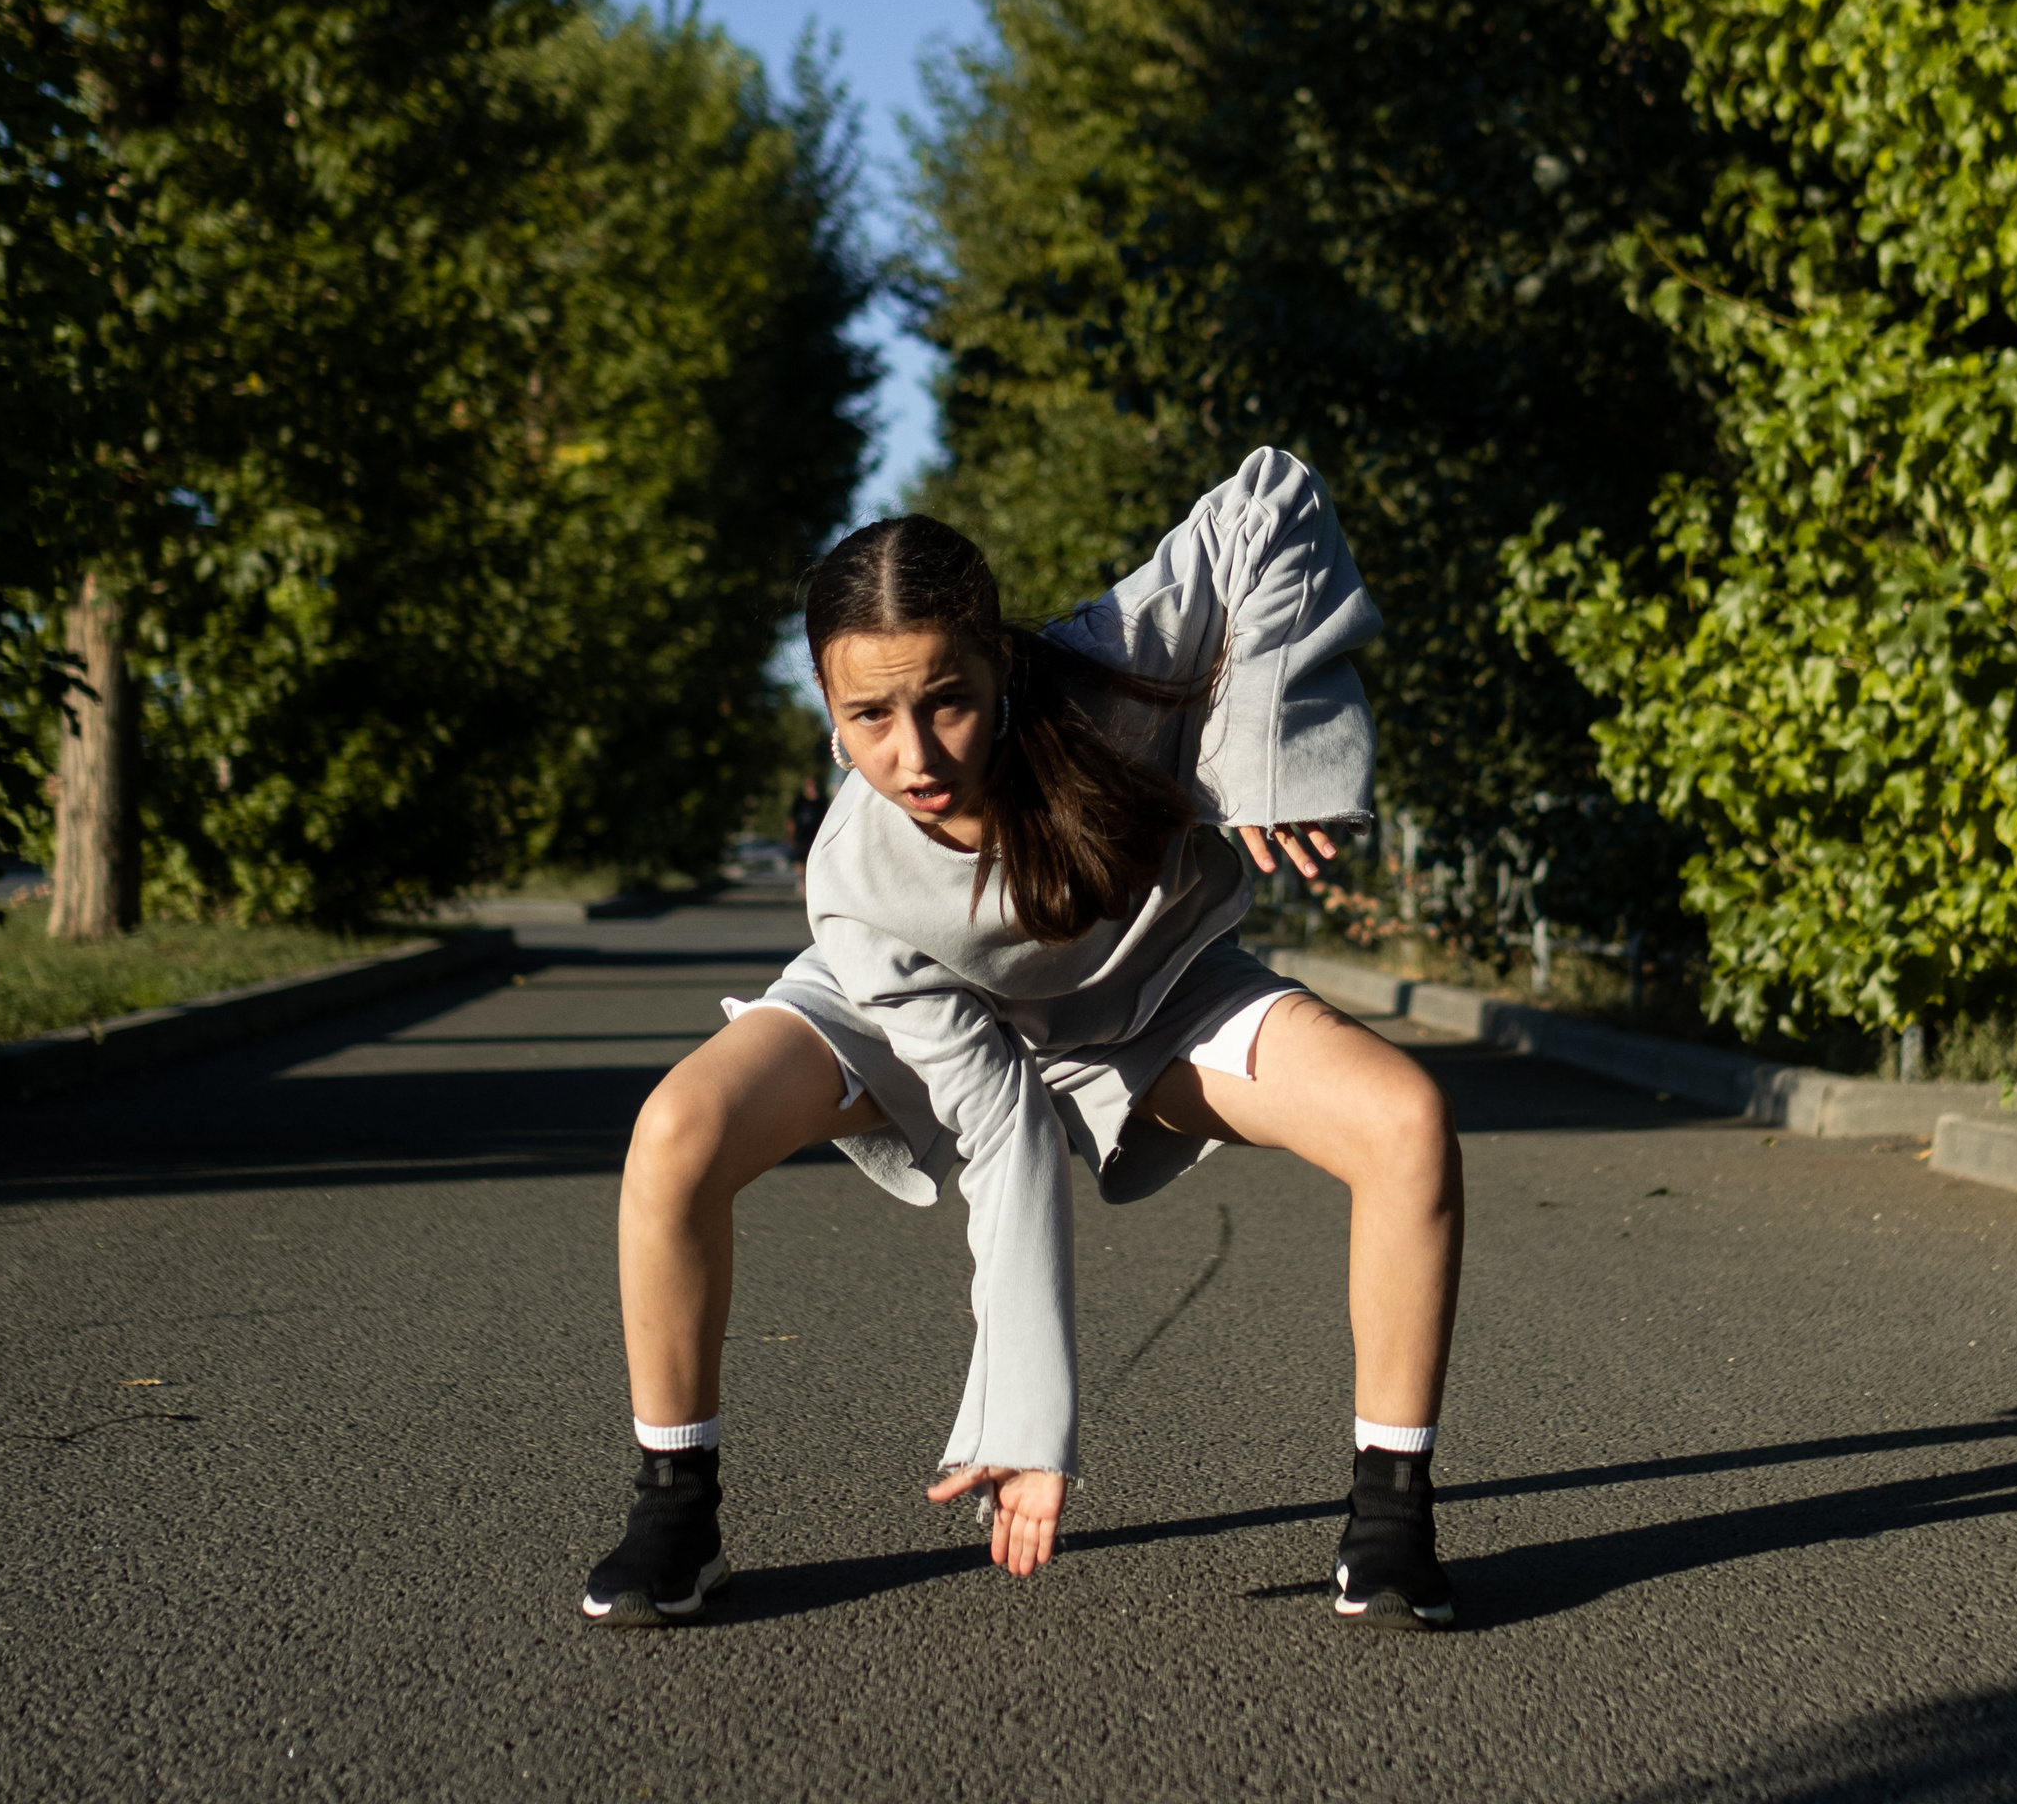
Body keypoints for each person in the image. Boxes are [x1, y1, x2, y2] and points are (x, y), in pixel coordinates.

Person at [579, 449, 1462, 1633]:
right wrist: (1024, 1416)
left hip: (1152, 994)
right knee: (678, 1127)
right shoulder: (852, 877)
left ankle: (1393, 1521)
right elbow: (1000, 1124)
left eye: (945, 699)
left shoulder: (1105, 660)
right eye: (868, 717)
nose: (916, 755)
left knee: (1404, 1119)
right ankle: (675, 1512)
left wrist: (1262, 754)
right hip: (911, 1009)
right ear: (827, 710)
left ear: (999, 661)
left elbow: (1270, 503)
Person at [782, 771, 829, 893]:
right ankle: (802, 880)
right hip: (801, 834)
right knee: (800, 859)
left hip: (816, 834)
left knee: (814, 858)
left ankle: (812, 881)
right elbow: (791, 819)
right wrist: (790, 835)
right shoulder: (800, 800)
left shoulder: (822, 801)